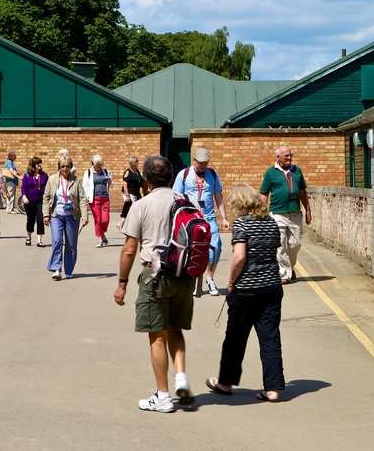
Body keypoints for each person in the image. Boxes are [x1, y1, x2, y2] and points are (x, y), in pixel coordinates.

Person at [115, 155, 195, 413]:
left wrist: (122, 283)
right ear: (171, 177)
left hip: (155, 275)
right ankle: (181, 377)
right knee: (175, 329)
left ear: (147, 180)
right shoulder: (186, 201)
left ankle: (162, 396)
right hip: (184, 276)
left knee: (157, 335)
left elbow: (129, 249)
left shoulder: (142, 205)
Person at [205, 185, 285, 402]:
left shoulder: (242, 223)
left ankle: (225, 383)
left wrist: (231, 282)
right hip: (272, 286)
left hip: (246, 289)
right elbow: (274, 250)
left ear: (239, 203)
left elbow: (239, 256)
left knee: (235, 338)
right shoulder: (271, 222)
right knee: (270, 337)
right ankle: (274, 388)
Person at [172, 147, 230, 297]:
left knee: (215, 248)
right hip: (191, 218)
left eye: (206, 163)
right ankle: (190, 281)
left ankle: (209, 278)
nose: (203, 166)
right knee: (191, 249)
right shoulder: (183, 174)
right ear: (194, 161)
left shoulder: (212, 174)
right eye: (201, 163)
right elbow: (176, 197)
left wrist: (224, 217)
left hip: (209, 218)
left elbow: (218, 196)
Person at [259, 146, 312, 284]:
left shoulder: (297, 170)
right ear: (278, 157)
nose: (290, 158)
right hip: (277, 213)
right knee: (280, 245)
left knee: (295, 244)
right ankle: (284, 274)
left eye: (290, 155)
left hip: (295, 213)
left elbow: (302, 192)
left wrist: (308, 211)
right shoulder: (271, 173)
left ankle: (290, 266)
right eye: (286, 156)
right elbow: (264, 193)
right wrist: (262, 213)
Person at [43, 155, 88, 281]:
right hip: (56, 215)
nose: (65, 169)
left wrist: (85, 216)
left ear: (71, 167)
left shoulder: (76, 180)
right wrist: (46, 214)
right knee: (57, 241)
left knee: (71, 245)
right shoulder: (52, 179)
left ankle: (68, 270)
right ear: (59, 167)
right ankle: (57, 269)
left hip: (72, 216)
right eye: (62, 166)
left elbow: (82, 198)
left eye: (67, 166)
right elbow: (46, 198)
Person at [82, 154, 112, 247]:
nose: (99, 167)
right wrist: (85, 198)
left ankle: (102, 235)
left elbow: (110, 184)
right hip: (94, 199)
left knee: (105, 219)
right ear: (93, 164)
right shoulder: (88, 173)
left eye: (100, 164)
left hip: (105, 198)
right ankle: (99, 238)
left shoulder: (105, 171)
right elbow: (84, 186)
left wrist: (110, 182)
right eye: (97, 165)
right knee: (98, 219)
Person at [21, 156, 48, 247]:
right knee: (30, 220)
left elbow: (48, 187)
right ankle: (28, 237)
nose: (40, 165)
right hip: (29, 201)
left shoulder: (44, 175)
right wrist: (24, 196)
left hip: (40, 200)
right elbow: (23, 188)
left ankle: (39, 240)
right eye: (37, 163)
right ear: (33, 165)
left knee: (40, 219)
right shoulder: (27, 175)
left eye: (40, 163)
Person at [116, 156, 147, 230]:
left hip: (136, 192)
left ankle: (121, 223)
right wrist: (127, 195)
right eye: (137, 162)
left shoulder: (136, 171)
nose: (138, 163)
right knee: (133, 208)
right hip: (130, 192)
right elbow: (125, 184)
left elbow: (140, 181)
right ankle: (132, 225)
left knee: (131, 208)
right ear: (133, 163)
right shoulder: (128, 172)